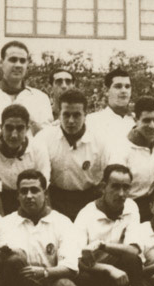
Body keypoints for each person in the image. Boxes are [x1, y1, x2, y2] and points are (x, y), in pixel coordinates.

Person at [0, 170, 80, 286]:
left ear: (46, 194)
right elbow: (6, 257)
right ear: (17, 196)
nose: (29, 196)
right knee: (14, 260)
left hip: (49, 283)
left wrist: (44, 272)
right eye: (23, 191)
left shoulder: (62, 222)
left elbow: (70, 268)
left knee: (66, 285)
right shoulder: (6, 222)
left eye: (34, 190)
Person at [36, 89, 111, 220]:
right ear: (59, 114)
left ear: (85, 114)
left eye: (76, 115)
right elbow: (41, 180)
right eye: (66, 115)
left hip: (90, 198)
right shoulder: (44, 137)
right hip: (55, 198)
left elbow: (109, 177)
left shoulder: (100, 139)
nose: (71, 121)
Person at [73, 165, 143, 286]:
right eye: (115, 187)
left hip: (120, 272)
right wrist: (108, 269)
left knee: (132, 260)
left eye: (125, 187)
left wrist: (102, 245)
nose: (121, 194)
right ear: (103, 187)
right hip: (95, 270)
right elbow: (76, 260)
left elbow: (134, 250)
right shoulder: (86, 214)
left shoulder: (131, 206)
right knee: (83, 278)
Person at [0, 104, 51, 215]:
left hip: (29, 194)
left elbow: (43, 186)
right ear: (1, 127)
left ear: (27, 129)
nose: (14, 135)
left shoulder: (38, 147)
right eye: (9, 128)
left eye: (20, 128)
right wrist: (3, 225)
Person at [0, 41, 53, 136]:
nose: (18, 65)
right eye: (13, 60)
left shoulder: (40, 99)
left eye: (22, 61)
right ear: (1, 63)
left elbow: (47, 137)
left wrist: (32, 122)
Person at [109, 97, 154, 219]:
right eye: (146, 120)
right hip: (129, 206)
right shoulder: (121, 149)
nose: (152, 126)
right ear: (136, 119)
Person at [85, 67, 134, 141]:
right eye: (118, 86)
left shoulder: (137, 120)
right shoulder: (93, 121)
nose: (124, 90)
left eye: (127, 87)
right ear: (106, 91)